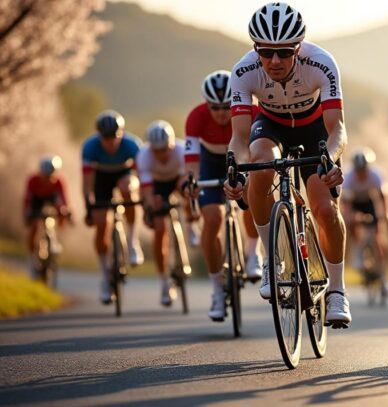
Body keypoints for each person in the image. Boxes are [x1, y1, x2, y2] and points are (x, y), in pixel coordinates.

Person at [225, 2, 351, 326]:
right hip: (271, 125)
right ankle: (270, 258)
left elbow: (337, 128)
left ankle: (337, 290)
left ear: (298, 47)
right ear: (257, 49)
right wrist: (236, 169)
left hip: (315, 130)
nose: (275, 61)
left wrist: (330, 158)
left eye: (283, 52)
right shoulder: (243, 71)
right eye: (266, 52)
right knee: (260, 165)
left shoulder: (321, 63)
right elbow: (239, 138)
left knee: (325, 210)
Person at [183, 70, 261, 321]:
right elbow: (192, 159)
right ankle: (217, 289)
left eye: (226, 106)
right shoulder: (196, 117)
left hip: (242, 157)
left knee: (251, 199)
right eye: (214, 107)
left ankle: (252, 253)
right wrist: (192, 181)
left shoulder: (250, 111)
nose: (220, 113)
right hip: (210, 162)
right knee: (213, 219)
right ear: (207, 105)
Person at [82, 109, 143, 304]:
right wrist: (88, 207)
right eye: (105, 138)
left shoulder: (132, 145)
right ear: (99, 135)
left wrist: (143, 200)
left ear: (121, 133)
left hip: (124, 173)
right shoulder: (90, 147)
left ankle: (133, 241)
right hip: (101, 178)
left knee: (128, 189)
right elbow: (87, 183)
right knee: (101, 224)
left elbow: (142, 176)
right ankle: (105, 275)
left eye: (114, 137)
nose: (110, 142)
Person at [137, 120, 188, 307]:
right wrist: (150, 207)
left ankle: (191, 228)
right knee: (159, 228)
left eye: (165, 149)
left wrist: (187, 200)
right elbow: (146, 192)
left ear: (172, 145)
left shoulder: (182, 151)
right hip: (156, 186)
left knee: (187, 189)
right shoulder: (143, 156)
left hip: (176, 179)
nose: (161, 155)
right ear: (151, 149)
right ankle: (164, 281)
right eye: (156, 151)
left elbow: (186, 178)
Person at [341, 148, 388, 294]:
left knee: (378, 236)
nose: (361, 173)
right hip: (354, 203)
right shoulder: (348, 176)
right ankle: (358, 253)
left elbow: (383, 197)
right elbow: (345, 202)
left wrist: (387, 215)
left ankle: (384, 277)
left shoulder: (376, 175)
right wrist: (349, 218)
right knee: (350, 223)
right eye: (358, 170)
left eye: (364, 170)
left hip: (370, 202)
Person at [23, 155, 70, 279]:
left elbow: (64, 199)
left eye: (51, 175)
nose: (48, 178)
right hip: (37, 201)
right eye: (46, 175)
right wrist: (27, 213)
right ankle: (33, 257)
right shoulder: (33, 180)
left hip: (52, 199)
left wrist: (65, 211)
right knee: (34, 226)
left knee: (62, 211)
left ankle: (56, 241)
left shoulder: (59, 181)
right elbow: (27, 199)